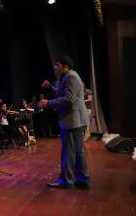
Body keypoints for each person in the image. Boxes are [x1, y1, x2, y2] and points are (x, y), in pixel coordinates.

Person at [39, 56, 90, 189]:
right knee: (78, 151)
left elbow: (69, 99)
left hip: (72, 120)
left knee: (69, 151)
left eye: (58, 65)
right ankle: (83, 179)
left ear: (65, 66)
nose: (55, 67)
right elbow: (63, 95)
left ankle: (66, 180)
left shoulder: (70, 77)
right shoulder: (67, 77)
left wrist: (48, 103)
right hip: (74, 119)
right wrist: (50, 88)